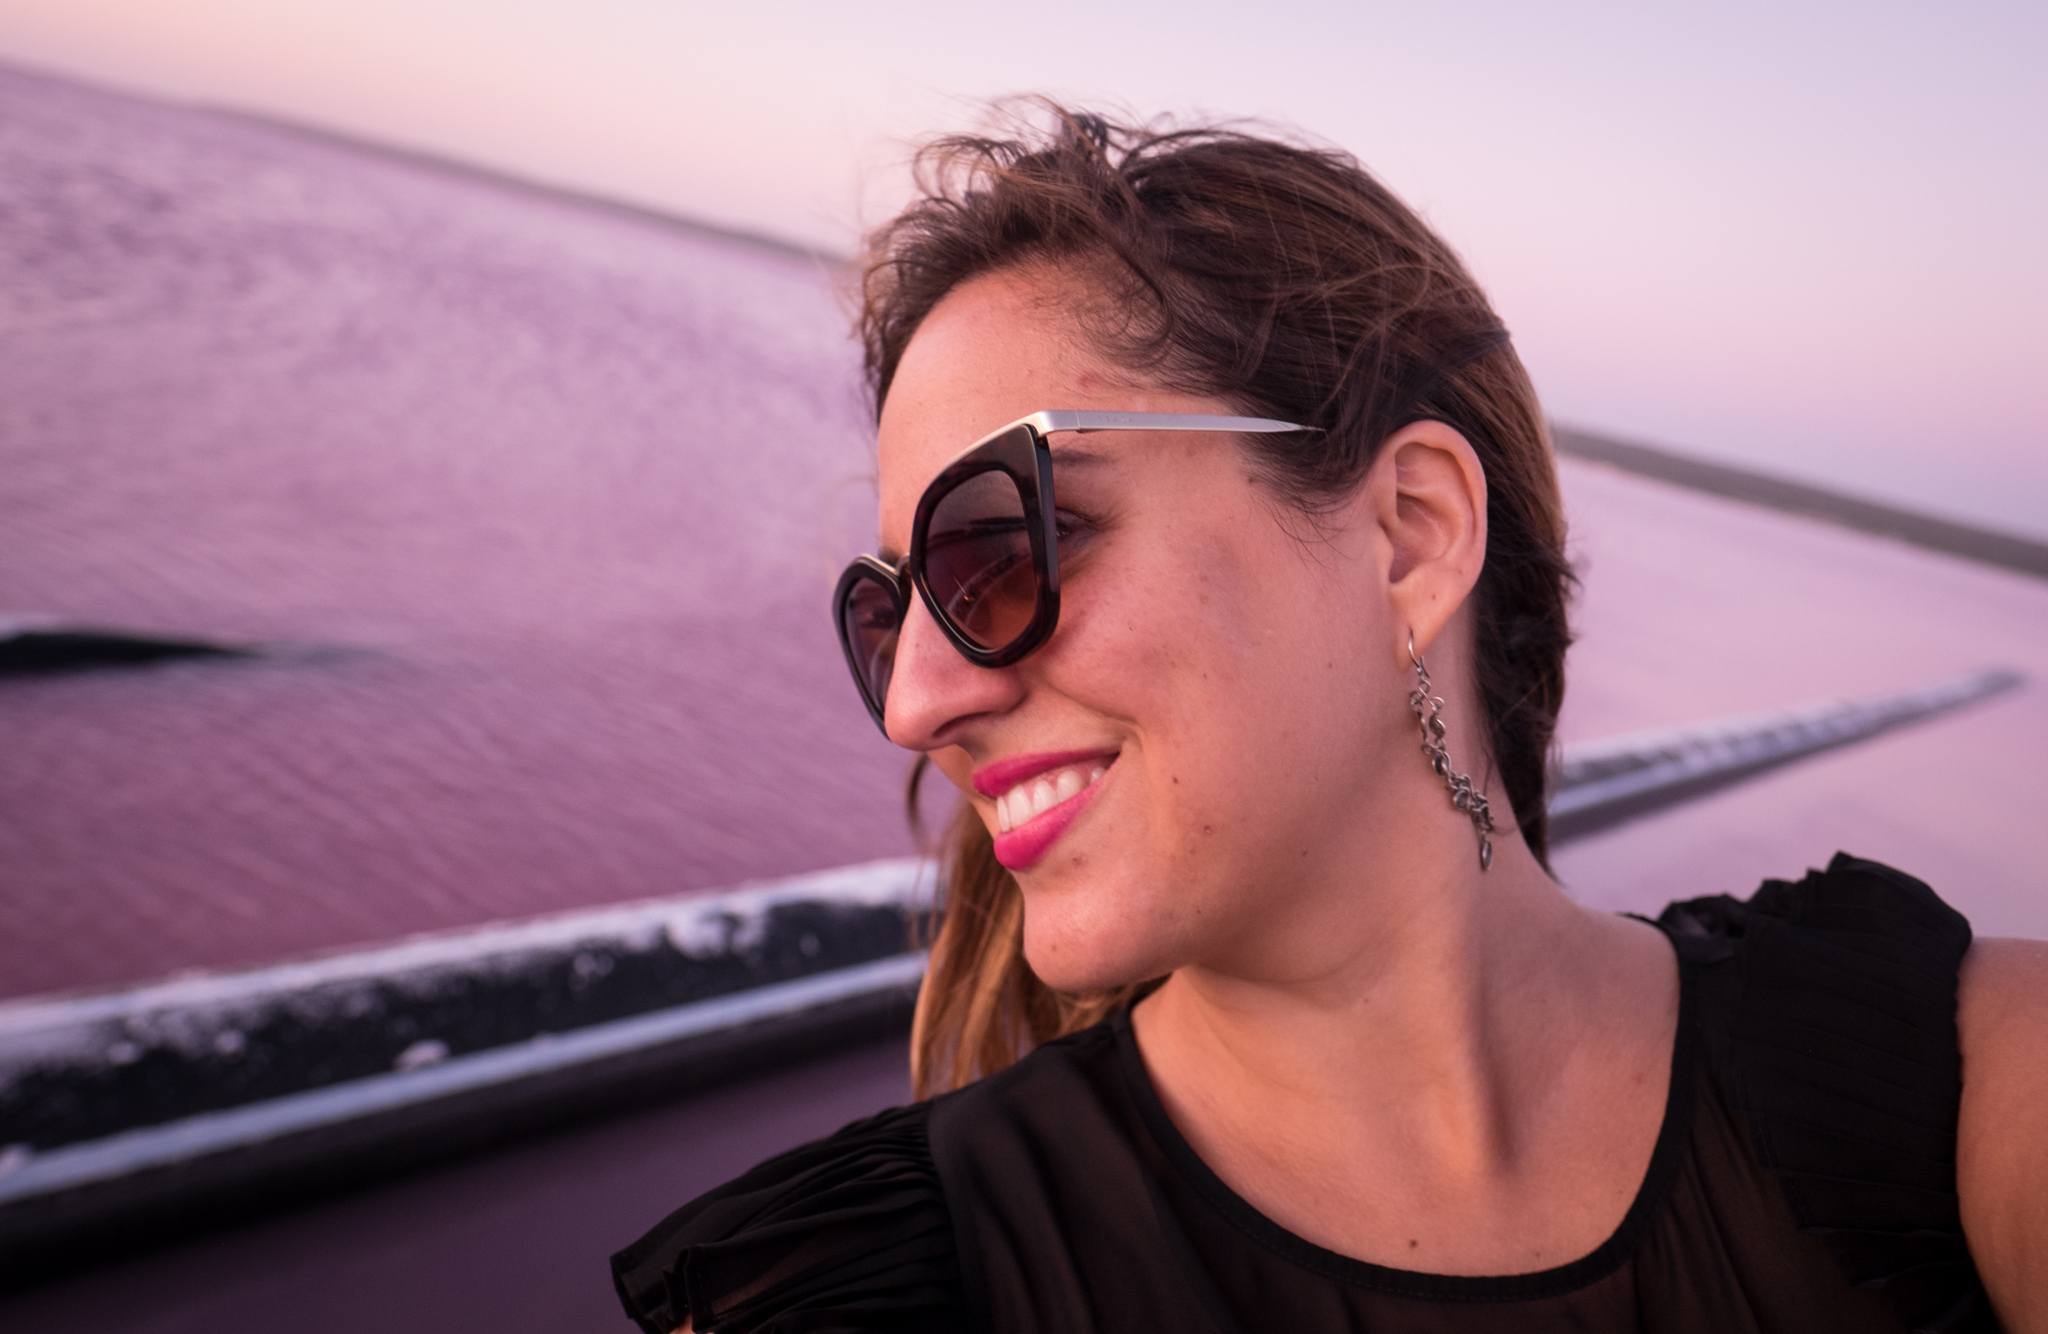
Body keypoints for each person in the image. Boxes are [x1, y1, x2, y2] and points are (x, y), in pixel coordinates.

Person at [610, 98, 2046, 1333]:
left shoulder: (1962, 1094)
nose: (916, 699)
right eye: (893, 606)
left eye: (996, 546)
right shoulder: (859, 1289)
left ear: (1410, 534)